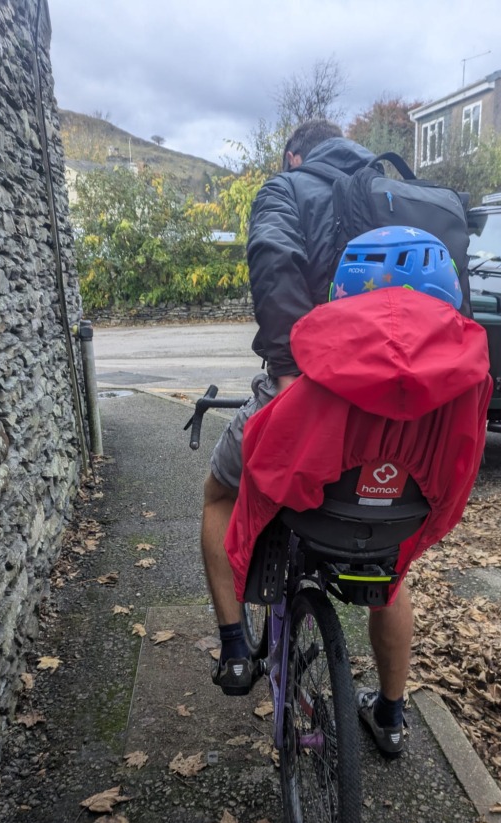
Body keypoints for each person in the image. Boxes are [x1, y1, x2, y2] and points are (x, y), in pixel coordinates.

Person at [201, 121, 441, 757]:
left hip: (309, 393)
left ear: (294, 154)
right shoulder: (396, 190)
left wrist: (286, 372)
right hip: (405, 421)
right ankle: (390, 716)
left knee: (216, 498)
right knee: (388, 567)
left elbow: (274, 261)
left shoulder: (287, 187)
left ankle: (232, 648)